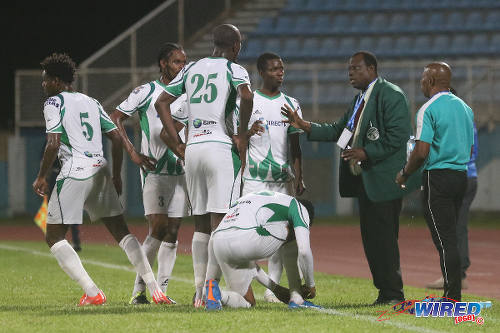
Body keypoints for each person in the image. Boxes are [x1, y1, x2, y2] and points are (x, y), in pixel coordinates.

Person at [32, 53, 173, 306]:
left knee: (53, 236)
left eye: (45, 81)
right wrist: (117, 174)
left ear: (55, 80)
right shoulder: (91, 102)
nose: (44, 86)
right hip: (100, 167)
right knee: (122, 232)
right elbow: (117, 138)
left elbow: (53, 142)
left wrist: (42, 176)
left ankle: (92, 292)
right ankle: (155, 290)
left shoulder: (53, 102)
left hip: (75, 170)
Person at [282, 51, 417, 305]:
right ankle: (384, 292)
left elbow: (398, 136)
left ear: (372, 69)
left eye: (356, 68)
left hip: (384, 182)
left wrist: (366, 151)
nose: (350, 73)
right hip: (367, 181)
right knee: (372, 239)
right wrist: (304, 125)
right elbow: (338, 130)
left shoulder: (391, 94)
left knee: (384, 238)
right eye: (349, 69)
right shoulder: (360, 100)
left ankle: (394, 293)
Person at [154, 24, 253, 307]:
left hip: (194, 149)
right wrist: (242, 135)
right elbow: (246, 96)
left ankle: (199, 292)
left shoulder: (190, 69)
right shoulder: (234, 70)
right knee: (220, 224)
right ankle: (210, 288)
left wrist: (179, 143)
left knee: (200, 224)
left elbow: (163, 103)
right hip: (220, 147)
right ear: (235, 47)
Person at [110, 43, 190, 305]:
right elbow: (115, 117)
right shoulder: (147, 91)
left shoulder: (189, 92)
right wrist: (132, 152)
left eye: (184, 62)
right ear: (163, 64)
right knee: (158, 227)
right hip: (153, 170)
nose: (182, 67)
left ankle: (162, 292)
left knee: (174, 230)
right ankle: (139, 292)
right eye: (177, 62)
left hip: (180, 170)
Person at [396, 62, 474, 302]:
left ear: (430, 81)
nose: (421, 83)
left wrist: (405, 173)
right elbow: (469, 147)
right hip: (461, 176)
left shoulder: (427, 109)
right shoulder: (466, 108)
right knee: (451, 234)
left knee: (445, 239)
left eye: (422, 79)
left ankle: (452, 297)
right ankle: (454, 292)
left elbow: (420, 152)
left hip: (437, 177)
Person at [241, 52, 306, 303]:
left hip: (281, 180)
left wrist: (299, 177)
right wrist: (247, 132)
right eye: (274, 69)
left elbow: (296, 147)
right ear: (261, 72)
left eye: (282, 69)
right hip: (254, 179)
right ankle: (247, 288)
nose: (280, 73)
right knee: (249, 235)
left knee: (282, 235)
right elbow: (237, 139)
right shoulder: (248, 101)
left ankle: (272, 290)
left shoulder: (292, 103)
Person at [203, 191, 319, 310]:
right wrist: (311, 285)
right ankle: (297, 298)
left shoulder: (269, 198)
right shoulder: (300, 209)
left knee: (248, 302)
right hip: (245, 238)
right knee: (294, 238)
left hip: (217, 239)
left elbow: (250, 265)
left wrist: (276, 289)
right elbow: (304, 251)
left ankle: (216, 293)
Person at [426, 93, 478, 291]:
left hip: (459, 174)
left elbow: (470, 151)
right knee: (455, 227)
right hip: (466, 175)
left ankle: (457, 276)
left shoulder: (452, 118)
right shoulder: (466, 115)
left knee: (453, 229)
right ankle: (455, 274)